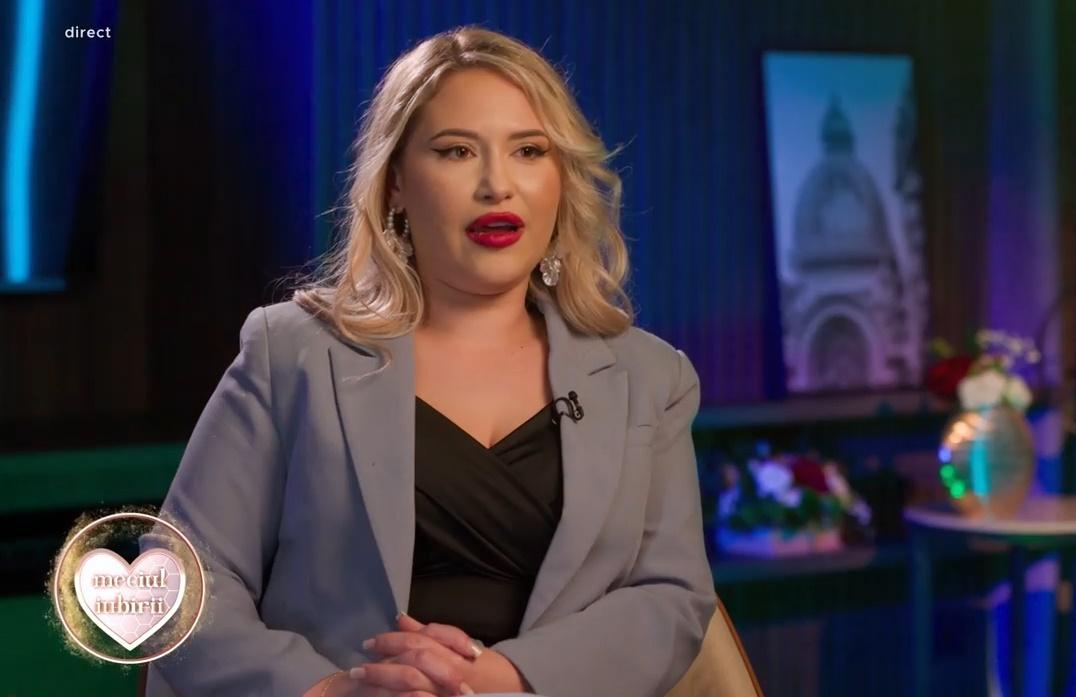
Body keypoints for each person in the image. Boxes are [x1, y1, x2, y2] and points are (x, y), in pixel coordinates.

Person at [144, 25, 716, 697]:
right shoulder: (291, 353)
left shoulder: (650, 377)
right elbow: (174, 581)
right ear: (394, 184)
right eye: (456, 151)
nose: (497, 185)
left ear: (561, 178)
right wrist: (329, 691)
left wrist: (499, 677)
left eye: (529, 151)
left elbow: (670, 596)